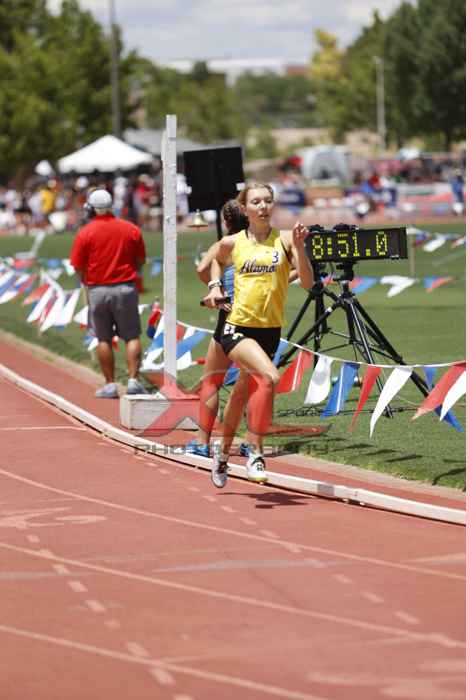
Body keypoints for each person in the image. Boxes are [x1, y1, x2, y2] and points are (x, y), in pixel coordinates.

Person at [203, 183, 314, 488]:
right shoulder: (232, 242)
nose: (263, 206)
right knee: (269, 378)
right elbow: (214, 261)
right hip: (237, 326)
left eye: (268, 200)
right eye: (256, 202)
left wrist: (300, 248)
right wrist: (215, 287)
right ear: (245, 209)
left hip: (270, 330)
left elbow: (307, 283)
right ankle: (255, 452)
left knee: (241, 394)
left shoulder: (286, 239)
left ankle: (222, 454)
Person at [186, 199, 250, 458]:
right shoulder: (265, 243)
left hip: (230, 315)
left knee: (212, 380)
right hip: (261, 318)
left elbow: (202, 268)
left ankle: (202, 442)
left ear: (225, 222)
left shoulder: (225, 244)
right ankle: (251, 443)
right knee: (252, 383)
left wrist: (216, 287)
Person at [70, 188, 148, 398]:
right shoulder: (130, 229)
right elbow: (140, 260)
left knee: (103, 338)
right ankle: (133, 381)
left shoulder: (85, 232)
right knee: (131, 336)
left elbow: (78, 266)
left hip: (97, 289)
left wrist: (86, 282)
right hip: (126, 288)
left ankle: (110, 384)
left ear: (91, 208)